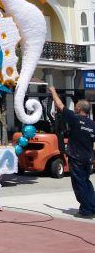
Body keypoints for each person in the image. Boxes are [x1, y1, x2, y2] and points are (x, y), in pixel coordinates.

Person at [50, 86, 95, 218]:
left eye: (76, 106)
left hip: (76, 158)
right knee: (86, 183)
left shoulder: (75, 119)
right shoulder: (92, 124)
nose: (74, 107)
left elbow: (60, 105)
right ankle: (92, 206)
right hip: (88, 159)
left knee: (79, 185)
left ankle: (86, 210)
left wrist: (53, 91)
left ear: (79, 109)